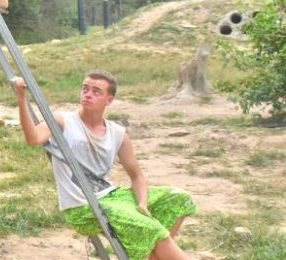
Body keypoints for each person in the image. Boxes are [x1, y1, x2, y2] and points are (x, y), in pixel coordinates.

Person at [13, 71, 197, 260]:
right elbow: (33, 138)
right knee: (152, 228)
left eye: (96, 91)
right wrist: (21, 99)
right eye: (85, 89)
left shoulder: (117, 133)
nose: (88, 94)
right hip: (83, 206)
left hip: (113, 196)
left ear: (109, 100)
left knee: (180, 199)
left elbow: (137, 176)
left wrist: (142, 202)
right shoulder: (63, 121)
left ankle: (150, 254)